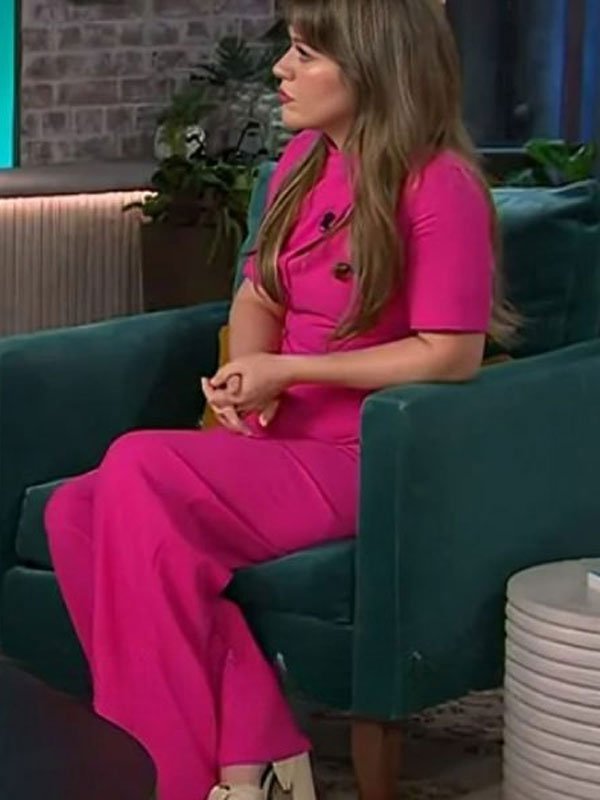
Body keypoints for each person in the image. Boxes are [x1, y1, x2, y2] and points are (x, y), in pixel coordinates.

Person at [45, 1, 514, 799]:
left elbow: (450, 353)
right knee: (75, 513)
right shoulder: (303, 160)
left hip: (365, 457)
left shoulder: (441, 186)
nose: (280, 70)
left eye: (305, 54)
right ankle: (259, 756)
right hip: (279, 440)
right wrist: (248, 373)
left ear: (372, 68)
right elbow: (259, 292)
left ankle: (167, 778)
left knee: (139, 465)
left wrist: (291, 372)